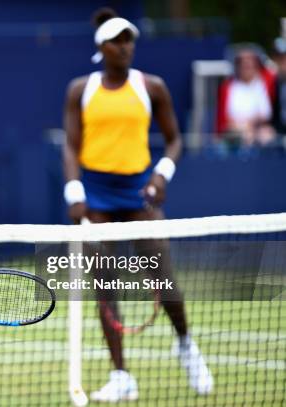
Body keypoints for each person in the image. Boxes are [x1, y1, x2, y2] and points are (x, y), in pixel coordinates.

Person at [62, 8, 213, 402]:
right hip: (95, 195)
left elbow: (175, 139)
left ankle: (185, 344)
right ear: (102, 47)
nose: (125, 47)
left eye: (129, 39)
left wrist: (162, 174)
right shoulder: (81, 89)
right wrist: (74, 191)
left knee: (162, 277)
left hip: (137, 194)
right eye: (117, 40)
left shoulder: (153, 87)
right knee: (105, 286)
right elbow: (71, 145)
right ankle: (121, 375)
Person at [216, 44, 276, 148]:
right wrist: (240, 127)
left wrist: (250, 125)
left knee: (267, 135)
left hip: (258, 131)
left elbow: (266, 114)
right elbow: (223, 118)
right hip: (233, 132)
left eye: (250, 63)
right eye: (242, 64)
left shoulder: (266, 82)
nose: (246, 66)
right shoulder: (227, 87)